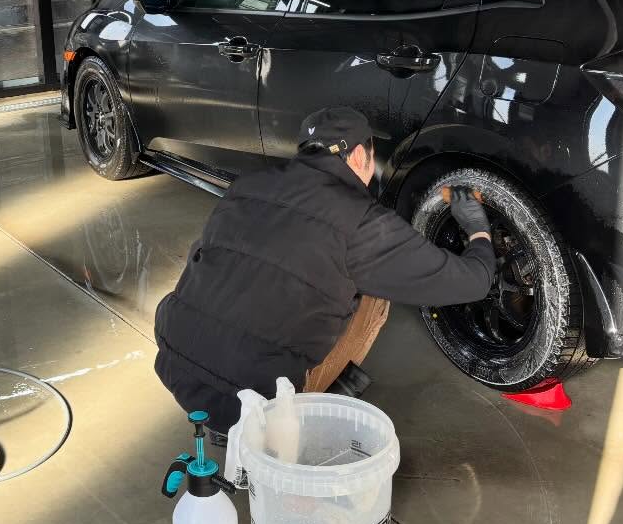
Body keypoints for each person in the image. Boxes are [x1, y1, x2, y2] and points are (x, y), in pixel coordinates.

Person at [154, 106, 497, 432]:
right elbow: (474, 282)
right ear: (360, 156)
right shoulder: (361, 222)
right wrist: (477, 229)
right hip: (256, 404)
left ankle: (229, 420)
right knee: (375, 297)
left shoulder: (247, 185)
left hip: (176, 364)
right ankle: (311, 411)